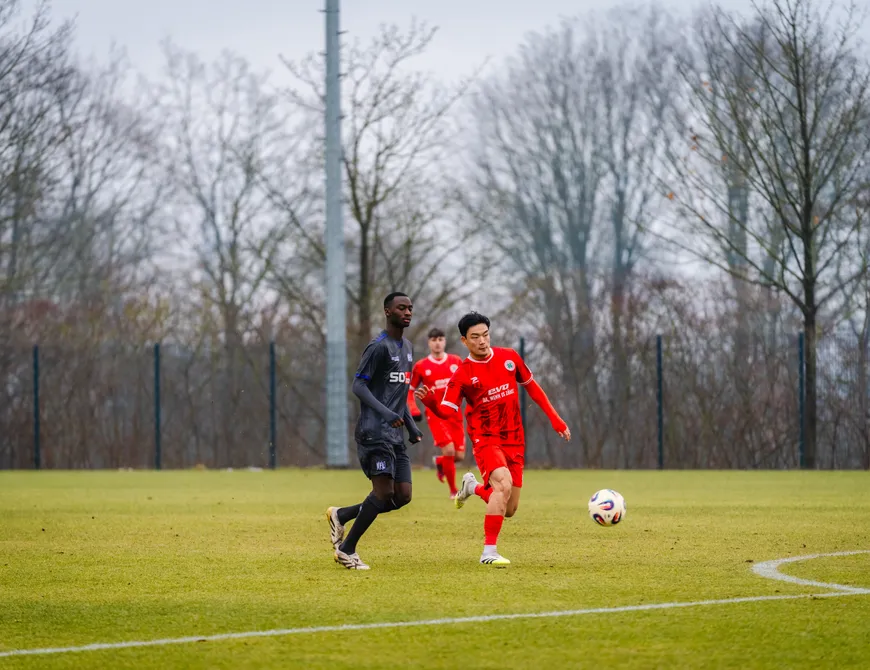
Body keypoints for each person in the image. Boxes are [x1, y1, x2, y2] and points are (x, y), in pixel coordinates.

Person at [416, 311, 570, 566]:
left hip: (514, 438)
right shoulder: (462, 374)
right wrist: (431, 402)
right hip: (485, 439)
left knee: (509, 509)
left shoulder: (509, 357)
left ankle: (472, 488)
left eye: (485, 335)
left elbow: (533, 388)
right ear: (464, 341)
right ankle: (489, 552)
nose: (482, 341)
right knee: (502, 485)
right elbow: (447, 411)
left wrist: (556, 419)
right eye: (475, 337)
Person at [326, 292, 422, 570]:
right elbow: (358, 386)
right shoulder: (378, 347)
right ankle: (347, 550)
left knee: (402, 496)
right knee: (382, 494)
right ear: (387, 311)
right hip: (373, 433)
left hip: (395, 436)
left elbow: (398, 395)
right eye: (401, 308)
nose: (407, 312)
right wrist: (387, 414)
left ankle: (342, 515)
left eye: (410, 308)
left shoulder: (408, 348)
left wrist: (411, 426)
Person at [407, 328, 466, 498]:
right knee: (449, 451)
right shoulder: (421, 366)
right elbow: (410, 391)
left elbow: (467, 384)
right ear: (429, 343)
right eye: (434, 340)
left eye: (440, 339)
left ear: (445, 341)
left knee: (459, 456)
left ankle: (440, 462)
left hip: (454, 414)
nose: (437, 343)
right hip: (435, 415)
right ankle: (453, 491)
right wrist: (414, 409)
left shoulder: (456, 361)